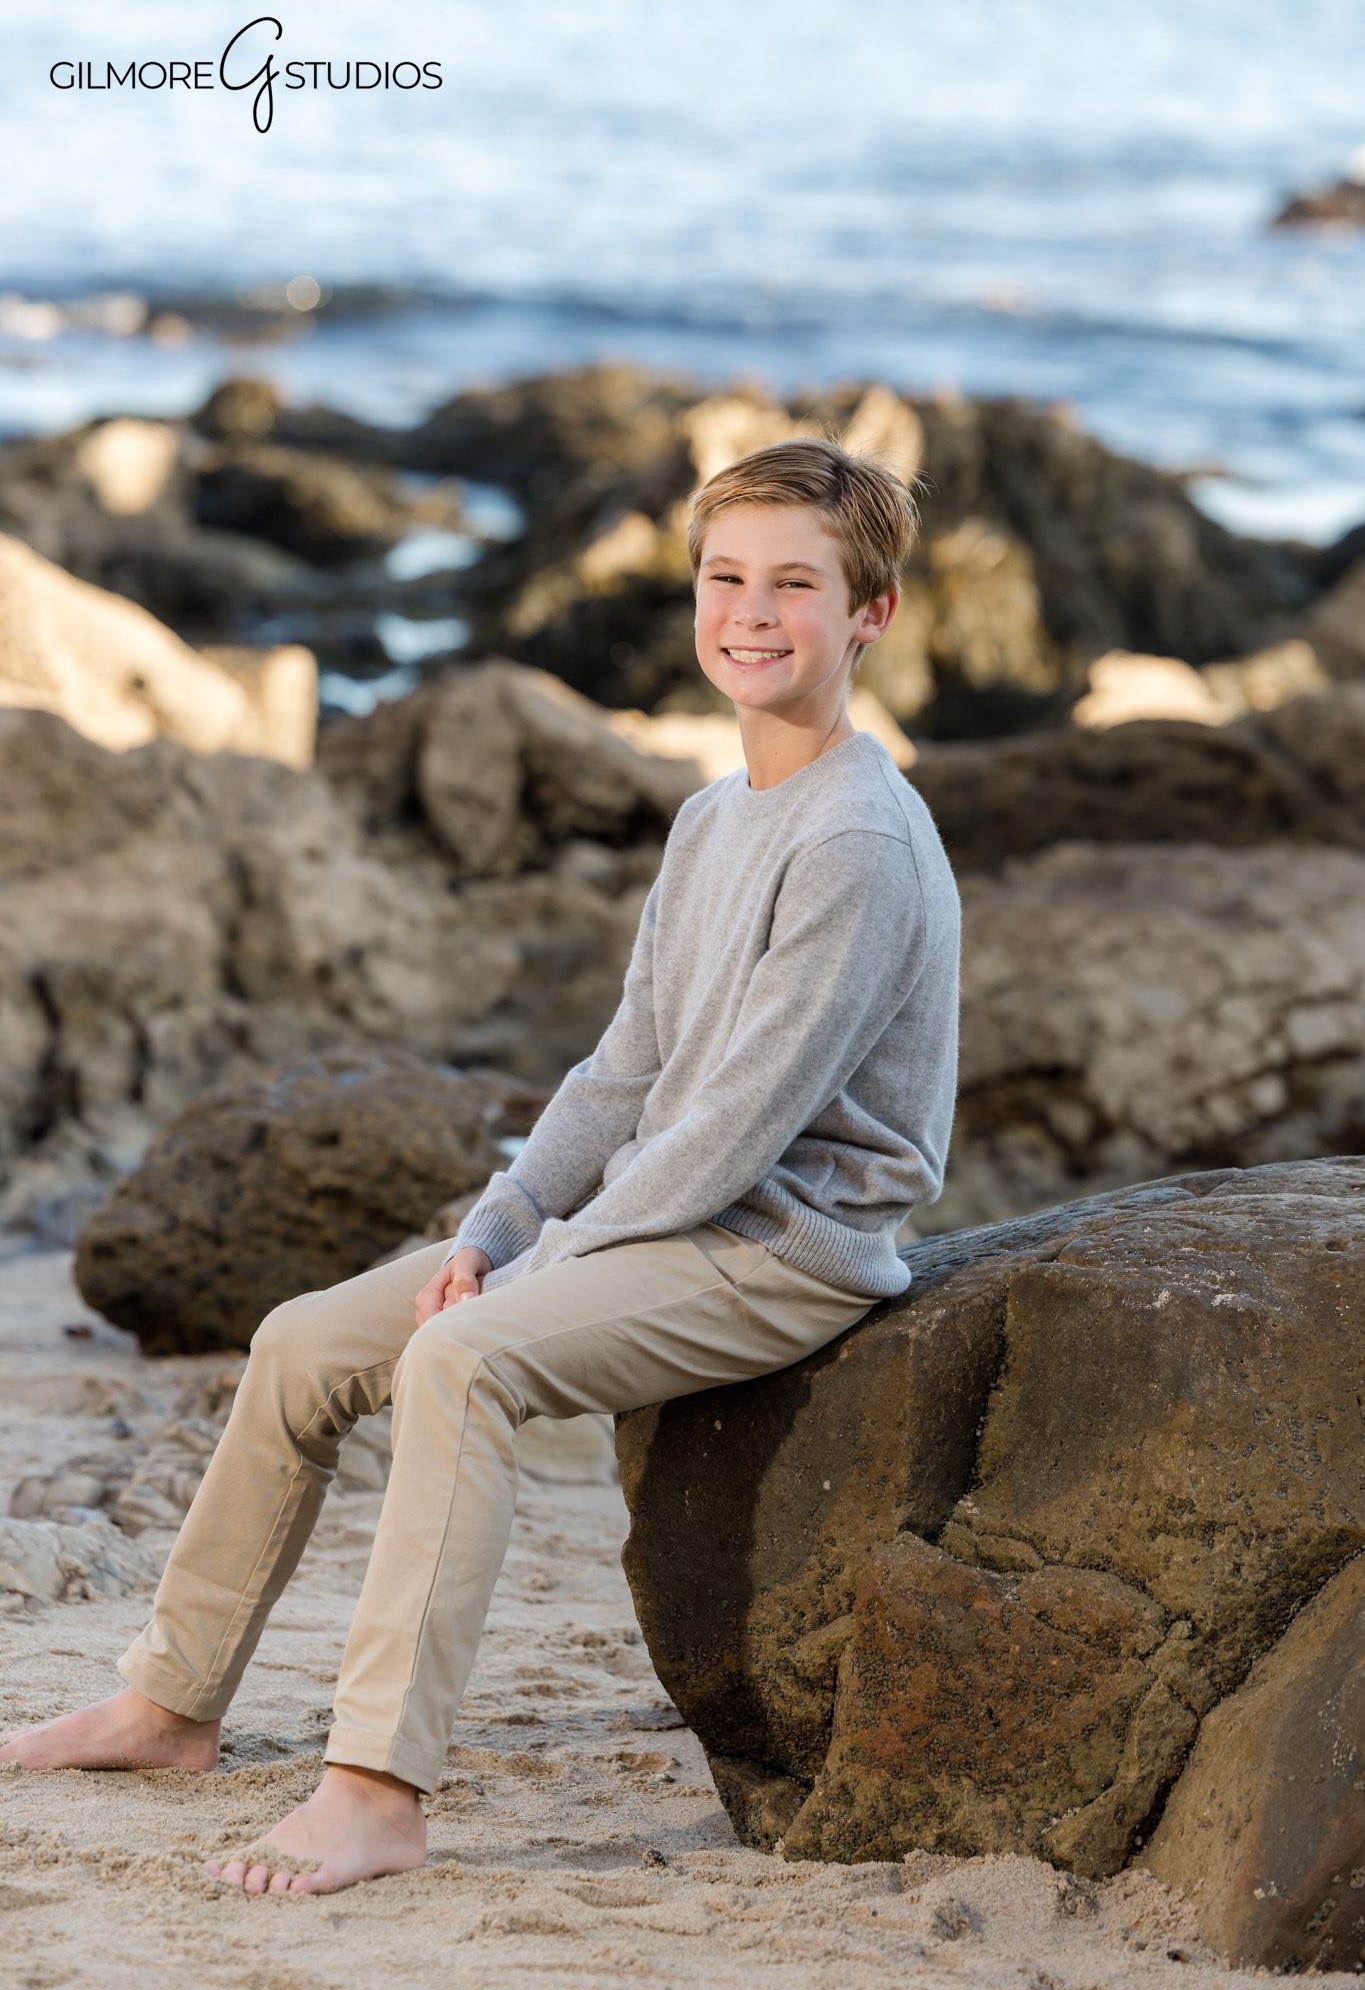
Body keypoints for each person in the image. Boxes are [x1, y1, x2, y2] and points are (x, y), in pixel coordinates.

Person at [0, 433, 962, 1898]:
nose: (750, 615)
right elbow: (628, 1068)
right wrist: (499, 1225)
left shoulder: (857, 843)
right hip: (667, 1217)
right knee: (304, 1340)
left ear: (870, 615)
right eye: (723, 580)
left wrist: (535, 1279)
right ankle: (169, 1702)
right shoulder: (715, 817)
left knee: (464, 1365)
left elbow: (733, 1128)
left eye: (794, 587)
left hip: (784, 1249)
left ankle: (377, 1790)